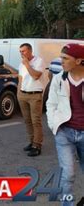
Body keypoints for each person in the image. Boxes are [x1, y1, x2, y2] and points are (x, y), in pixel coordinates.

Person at [46, 43, 84, 205]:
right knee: (67, 174)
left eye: (65, 58)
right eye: (61, 57)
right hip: (65, 132)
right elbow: (51, 104)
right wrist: (54, 124)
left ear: (79, 61)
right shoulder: (59, 78)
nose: (61, 61)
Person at [18, 43, 47, 157]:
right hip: (23, 95)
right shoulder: (21, 64)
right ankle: (32, 142)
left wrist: (27, 64)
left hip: (35, 95)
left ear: (30, 51)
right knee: (27, 120)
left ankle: (37, 145)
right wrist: (18, 93)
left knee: (36, 121)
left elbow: (35, 76)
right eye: (20, 51)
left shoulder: (39, 61)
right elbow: (20, 79)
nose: (21, 53)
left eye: (23, 51)